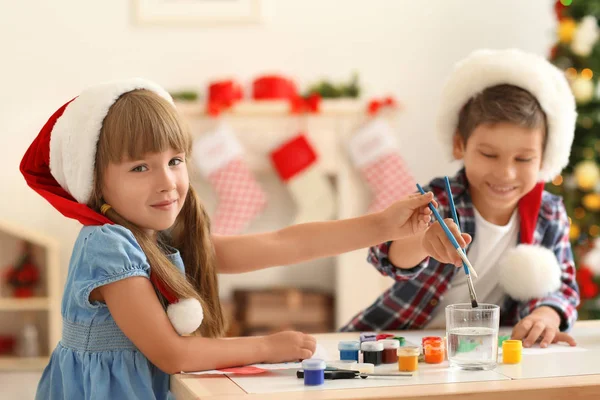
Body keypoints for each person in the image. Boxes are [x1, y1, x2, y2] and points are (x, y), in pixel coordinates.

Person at [20, 78, 437, 399]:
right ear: (95, 183)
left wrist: (383, 225)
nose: (168, 182)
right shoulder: (106, 245)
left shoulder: (162, 236)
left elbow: (283, 243)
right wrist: (268, 346)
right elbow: (173, 354)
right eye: (140, 168)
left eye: (175, 161)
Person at [342, 49, 580, 349]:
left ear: (544, 157)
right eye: (488, 154)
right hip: (397, 343)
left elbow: (565, 289)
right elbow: (386, 256)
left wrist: (546, 316)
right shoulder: (441, 198)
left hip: (481, 351)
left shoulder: (549, 213)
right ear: (459, 145)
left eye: (523, 158)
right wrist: (423, 241)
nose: (505, 173)